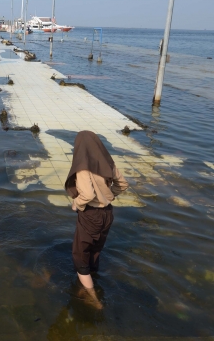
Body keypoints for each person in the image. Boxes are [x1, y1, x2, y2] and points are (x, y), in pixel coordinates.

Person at [64, 131, 128, 309]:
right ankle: (91, 282)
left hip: (91, 215)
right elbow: (123, 184)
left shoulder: (83, 167)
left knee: (80, 256)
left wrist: (76, 204)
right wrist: (108, 196)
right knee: (95, 251)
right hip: (108, 213)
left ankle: (93, 298)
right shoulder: (108, 162)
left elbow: (87, 194)